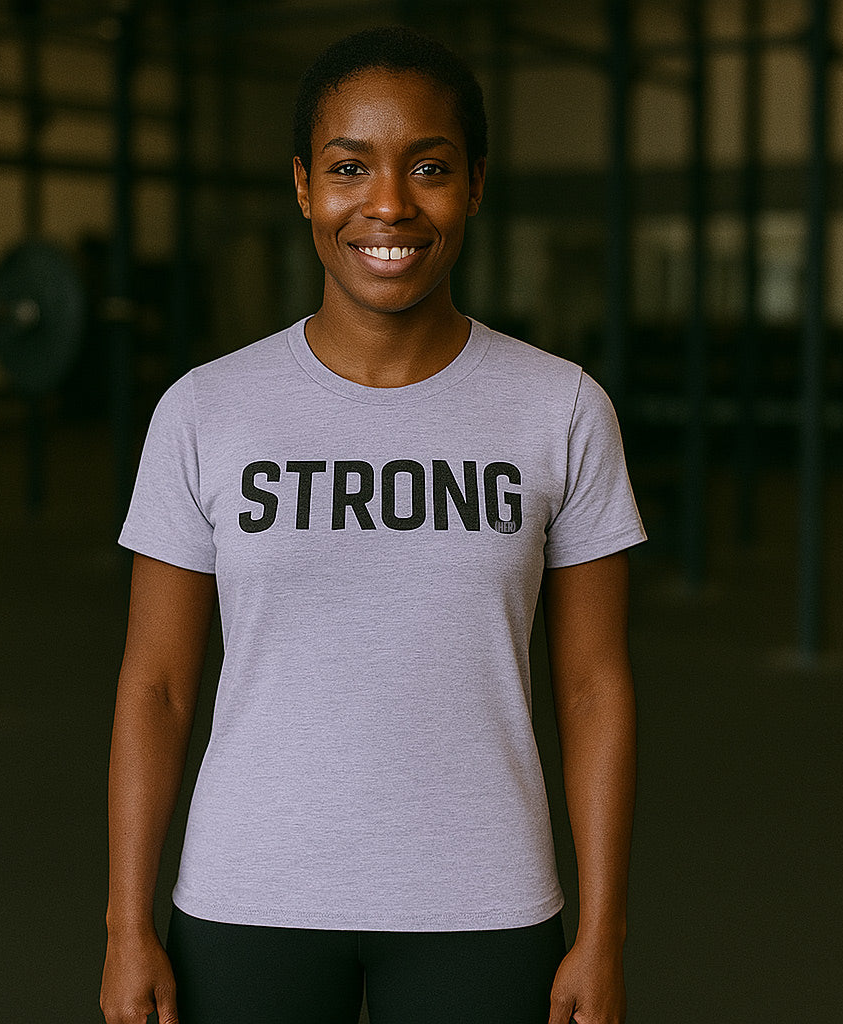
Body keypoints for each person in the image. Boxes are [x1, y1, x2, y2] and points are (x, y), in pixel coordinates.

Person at [100, 25, 645, 1024]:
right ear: (304, 185)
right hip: (246, 897)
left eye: (428, 167)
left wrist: (601, 933)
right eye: (350, 167)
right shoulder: (204, 411)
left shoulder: (559, 408)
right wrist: (125, 926)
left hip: (482, 900)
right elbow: (158, 687)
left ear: (475, 184)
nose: (388, 204)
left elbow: (593, 687)